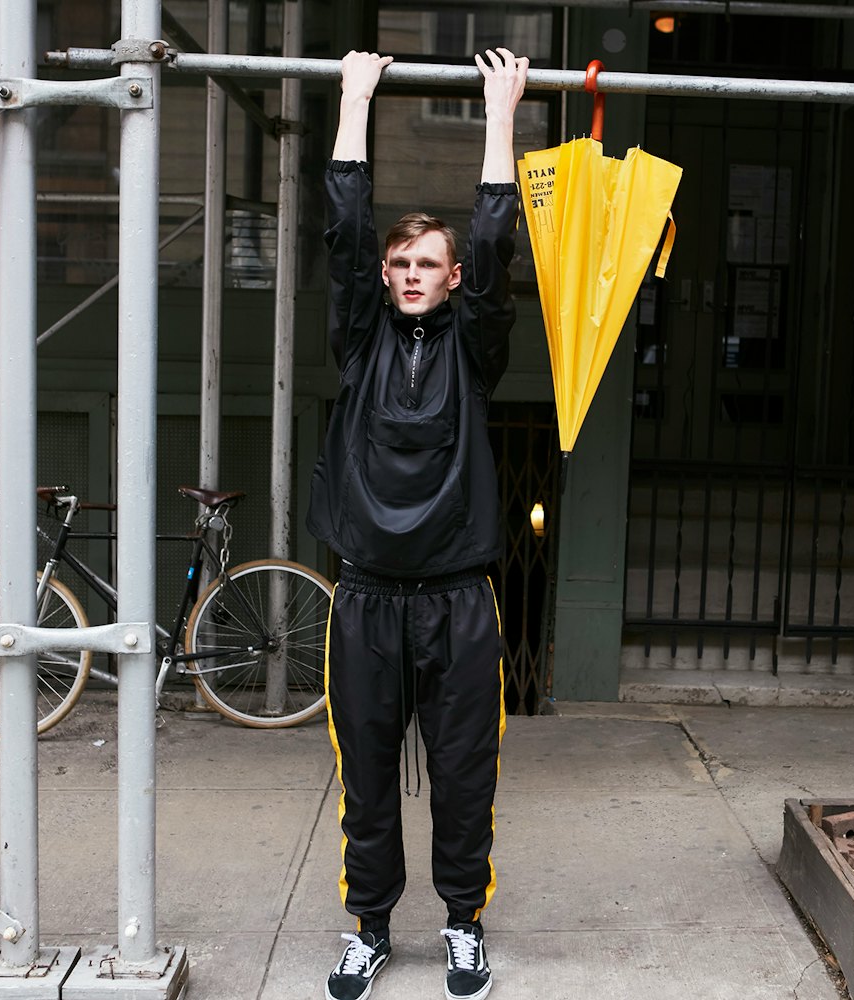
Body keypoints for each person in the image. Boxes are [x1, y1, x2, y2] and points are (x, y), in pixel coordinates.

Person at [306, 46, 529, 1000]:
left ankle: (463, 924)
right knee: (364, 781)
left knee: (465, 777)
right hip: (365, 602)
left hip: (455, 602)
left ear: (452, 278)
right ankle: (368, 926)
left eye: (425, 263)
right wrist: (354, 97)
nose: (405, 273)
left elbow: (498, 235)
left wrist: (498, 112)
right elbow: (346, 227)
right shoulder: (360, 341)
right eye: (398, 262)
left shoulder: (476, 351)